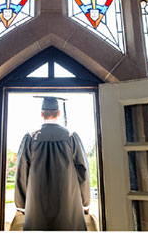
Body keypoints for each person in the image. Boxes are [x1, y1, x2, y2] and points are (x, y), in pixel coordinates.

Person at [14, 96, 90, 231]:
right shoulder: (71, 137)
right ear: (59, 113)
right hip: (68, 205)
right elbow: (83, 170)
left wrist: (21, 204)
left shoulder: (30, 138)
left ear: (41, 114)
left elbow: (21, 172)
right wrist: (85, 201)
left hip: (36, 206)